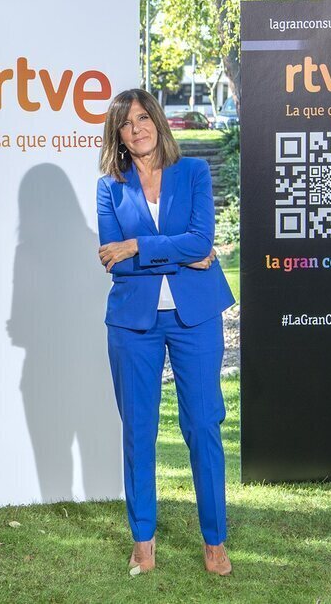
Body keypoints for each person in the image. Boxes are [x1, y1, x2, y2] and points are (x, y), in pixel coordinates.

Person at [96, 89, 236, 577]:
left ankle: (214, 540)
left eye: (143, 117)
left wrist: (138, 245)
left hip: (196, 317)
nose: (137, 128)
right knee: (139, 431)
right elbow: (115, 260)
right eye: (126, 123)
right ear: (118, 135)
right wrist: (170, 251)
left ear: (157, 121)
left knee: (202, 425)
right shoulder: (108, 187)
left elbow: (202, 239)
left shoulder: (193, 172)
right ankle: (142, 542)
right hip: (134, 323)